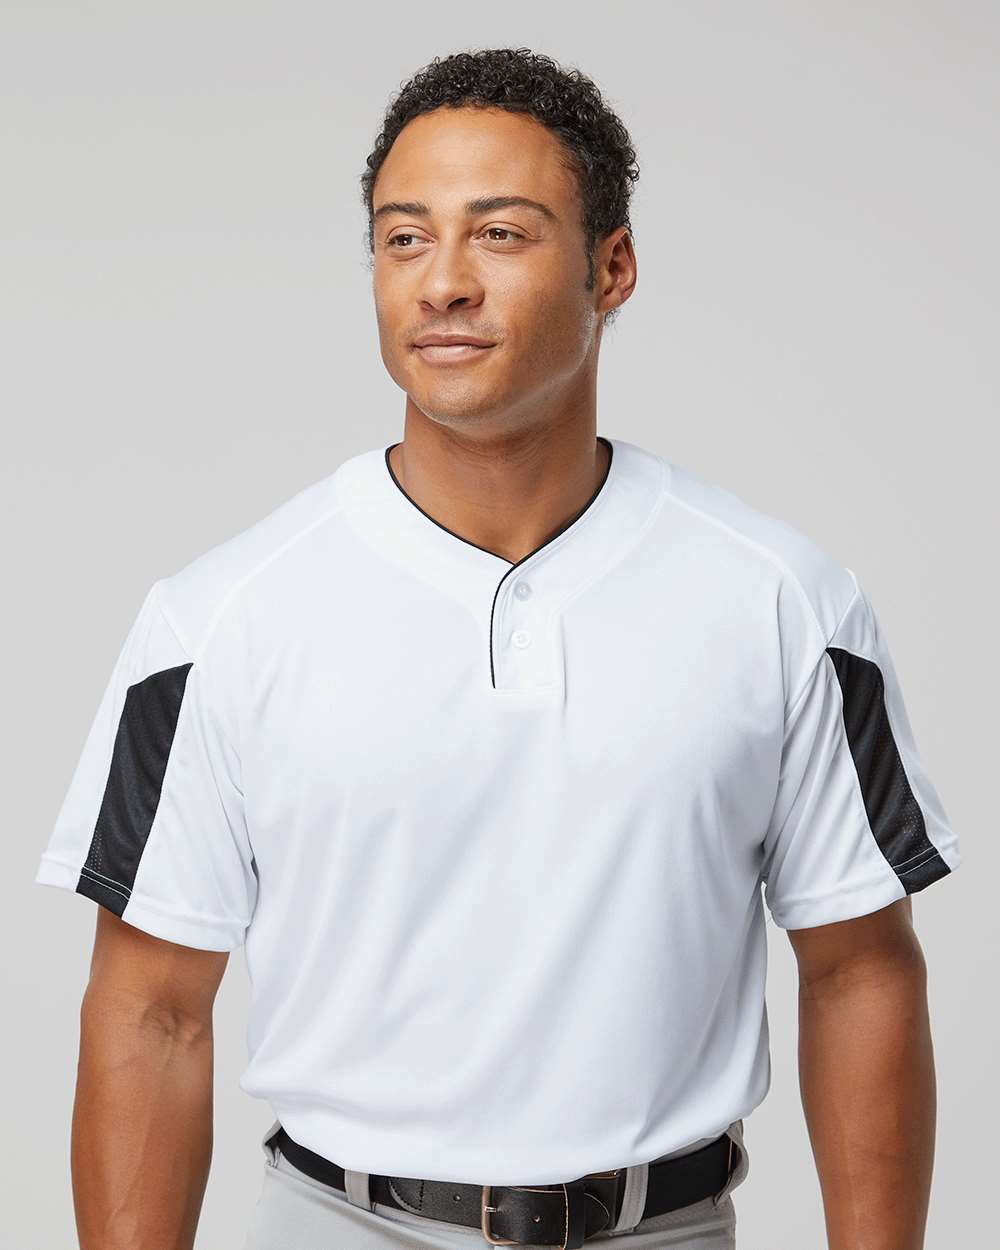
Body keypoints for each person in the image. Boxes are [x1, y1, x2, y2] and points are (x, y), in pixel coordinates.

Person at [34, 47, 961, 1250]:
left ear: (611, 267)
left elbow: (859, 971)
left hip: (667, 1228)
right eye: (404, 238)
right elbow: (151, 1011)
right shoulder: (216, 621)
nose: (443, 283)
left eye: (501, 234)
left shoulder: (786, 602)